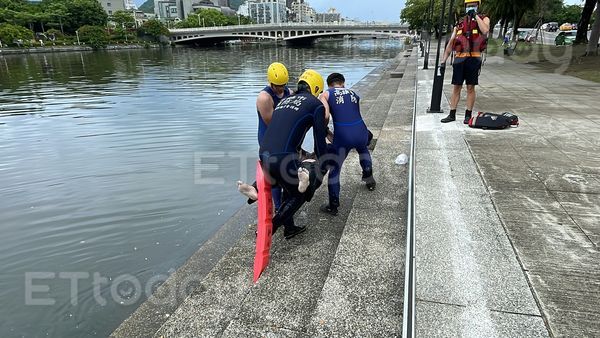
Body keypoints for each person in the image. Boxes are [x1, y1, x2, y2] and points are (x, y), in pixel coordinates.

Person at [259, 69, 329, 239]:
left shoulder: (285, 100)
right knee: (302, 192)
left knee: (289, 187)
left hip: (264, 153)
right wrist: (324, 164)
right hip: (285, 157)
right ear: (316, 88)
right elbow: (319, 142)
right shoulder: (315, 104)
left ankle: (289, 228)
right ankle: (271, 228)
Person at [318, 73, 375, 216]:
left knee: (335, 169)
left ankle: (334, 204)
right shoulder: (353, 93)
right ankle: (369, 178)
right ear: (343, 83)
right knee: (363, 151)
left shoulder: (326, 94)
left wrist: (325, 131)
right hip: (361, 130)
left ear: (329, 84)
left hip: (343, 135)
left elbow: (325, 116)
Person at [237, 62, 293, 208]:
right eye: (277, 85)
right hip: (268, 139)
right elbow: (274, 125)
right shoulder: (264, 98)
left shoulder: (289, 92)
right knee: (274, 177)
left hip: (284, 138)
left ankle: (255, 189)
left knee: (284, 173)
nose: (281, 88)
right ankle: (279, 209)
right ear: (270, 82)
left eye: (283, 84)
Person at [440, 0, 490, 124]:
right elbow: (451, 43)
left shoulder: (484, 19)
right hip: (459, 58)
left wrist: (476, 16)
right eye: (469, 6)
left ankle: (468, 115)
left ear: (478, 6)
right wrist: (443, 60)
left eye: (474, 5)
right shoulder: (460, 23)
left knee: (470, 87)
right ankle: (452, 114)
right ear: (465, 7)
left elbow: (485, 31)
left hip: (474, 58)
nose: (471, 8)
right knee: (456, 87)